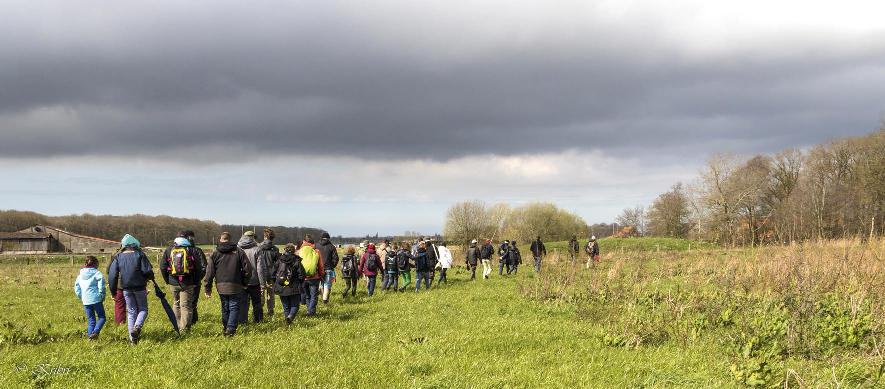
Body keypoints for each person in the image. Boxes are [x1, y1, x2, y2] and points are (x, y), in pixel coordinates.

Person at [108, 234, 154, 344]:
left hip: (125, 288)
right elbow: (147, 271)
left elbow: (112, 275)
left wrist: (113, 291)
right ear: (135, 244)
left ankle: (132, 340)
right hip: (139, 287)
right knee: (143, 309)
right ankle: (137, 328)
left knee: (131, 311)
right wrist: (150, 278)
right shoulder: (140, 254)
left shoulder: (118, 256)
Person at [204, 232, 252, 336]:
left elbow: (209, 272)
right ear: (230, 239)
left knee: (225, 306)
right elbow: (248, 269)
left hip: (221, 285)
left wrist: (208, 288)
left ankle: (226, 327)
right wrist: (244, 282)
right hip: (236, 284)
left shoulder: (215, 253)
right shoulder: (239, 251)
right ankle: (230, 329)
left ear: (220, 239)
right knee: (234, 306)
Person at [160, 233, 204, 332]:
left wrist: (167, 280)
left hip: (173, 282)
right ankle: (184, 328)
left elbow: (162, 266)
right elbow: (198, 268)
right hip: (188, 283)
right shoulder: (192, 250)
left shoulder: (169, 250)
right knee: (186, 305)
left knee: (176, 303)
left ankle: (177, 326)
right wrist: (196, 281)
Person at [74, 255, 106, 340]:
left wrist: (81, 296)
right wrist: (102, 295)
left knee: (91, 321)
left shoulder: (80, 275)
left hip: (86, 300)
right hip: (96, 299)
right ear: (96, 264)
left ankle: (90, 338)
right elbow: (101, 286)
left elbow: (77, 288)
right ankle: (95, 332)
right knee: (102, 317)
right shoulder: (97, 273)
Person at [274, 243, 306, 324]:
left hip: (281, 286)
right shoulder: (296, 260)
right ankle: (290, 317)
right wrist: (300, 282)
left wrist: (276, 281)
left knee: (286, 306)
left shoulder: (279, 260)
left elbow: (272, 273)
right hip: (294, 286)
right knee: (295, 305)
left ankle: (287, 320)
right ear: (294, 250)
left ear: (285, 249)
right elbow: (302, 274)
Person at [181, 230, 207, 324]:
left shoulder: (175, 250)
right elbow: (204, 266)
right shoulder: (197, 250)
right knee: (193, 302)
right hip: (195, 282)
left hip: (179, 282)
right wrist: (198, 278)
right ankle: (192, 321)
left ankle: (181, 322)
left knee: (180, 303)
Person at [237, 231, 263, 324]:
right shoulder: (257, 249)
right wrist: (262, 283)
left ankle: (243, 321)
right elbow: (260, 268)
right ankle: (258, 320)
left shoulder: (237, 248)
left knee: (243, 302)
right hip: (254, 280)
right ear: (252, 237)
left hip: (241, 280)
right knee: (257, 302)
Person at [256, 228, 281, 319]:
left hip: (260, 274)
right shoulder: (275, 249)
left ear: (265, 236)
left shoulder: (258, 247)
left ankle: (259, 310)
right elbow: (278, 263)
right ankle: (270, 311)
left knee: (261, 292)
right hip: (271, 274)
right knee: (271, 293)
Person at [298, 235, 324, 316]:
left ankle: (309, 311)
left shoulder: (299, 251)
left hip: (303, 278)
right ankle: (311, 311)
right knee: (314, 296)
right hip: (314, 277)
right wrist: (322, 274)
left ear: (304, 242)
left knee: (307, 296)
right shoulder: (316, 251)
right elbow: (320, 265)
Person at [318, 232, 339, 304]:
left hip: (318, 269)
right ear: (328, 238)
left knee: (321, 284)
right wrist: (332, 265)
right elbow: (336, 258)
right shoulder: (331, 246)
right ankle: (325, 301)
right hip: (329, 268)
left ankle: (321, 295)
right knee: (327, 285)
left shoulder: (316, 246)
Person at [106, 252, 127, 326]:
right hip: (134, 284)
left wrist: (112, 286)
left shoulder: (116, 254)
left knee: (119, 305)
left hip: (119, 285)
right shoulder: (137, 253)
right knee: (134, 305)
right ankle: (135, 325)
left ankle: (120, 323)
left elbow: (109, 270)